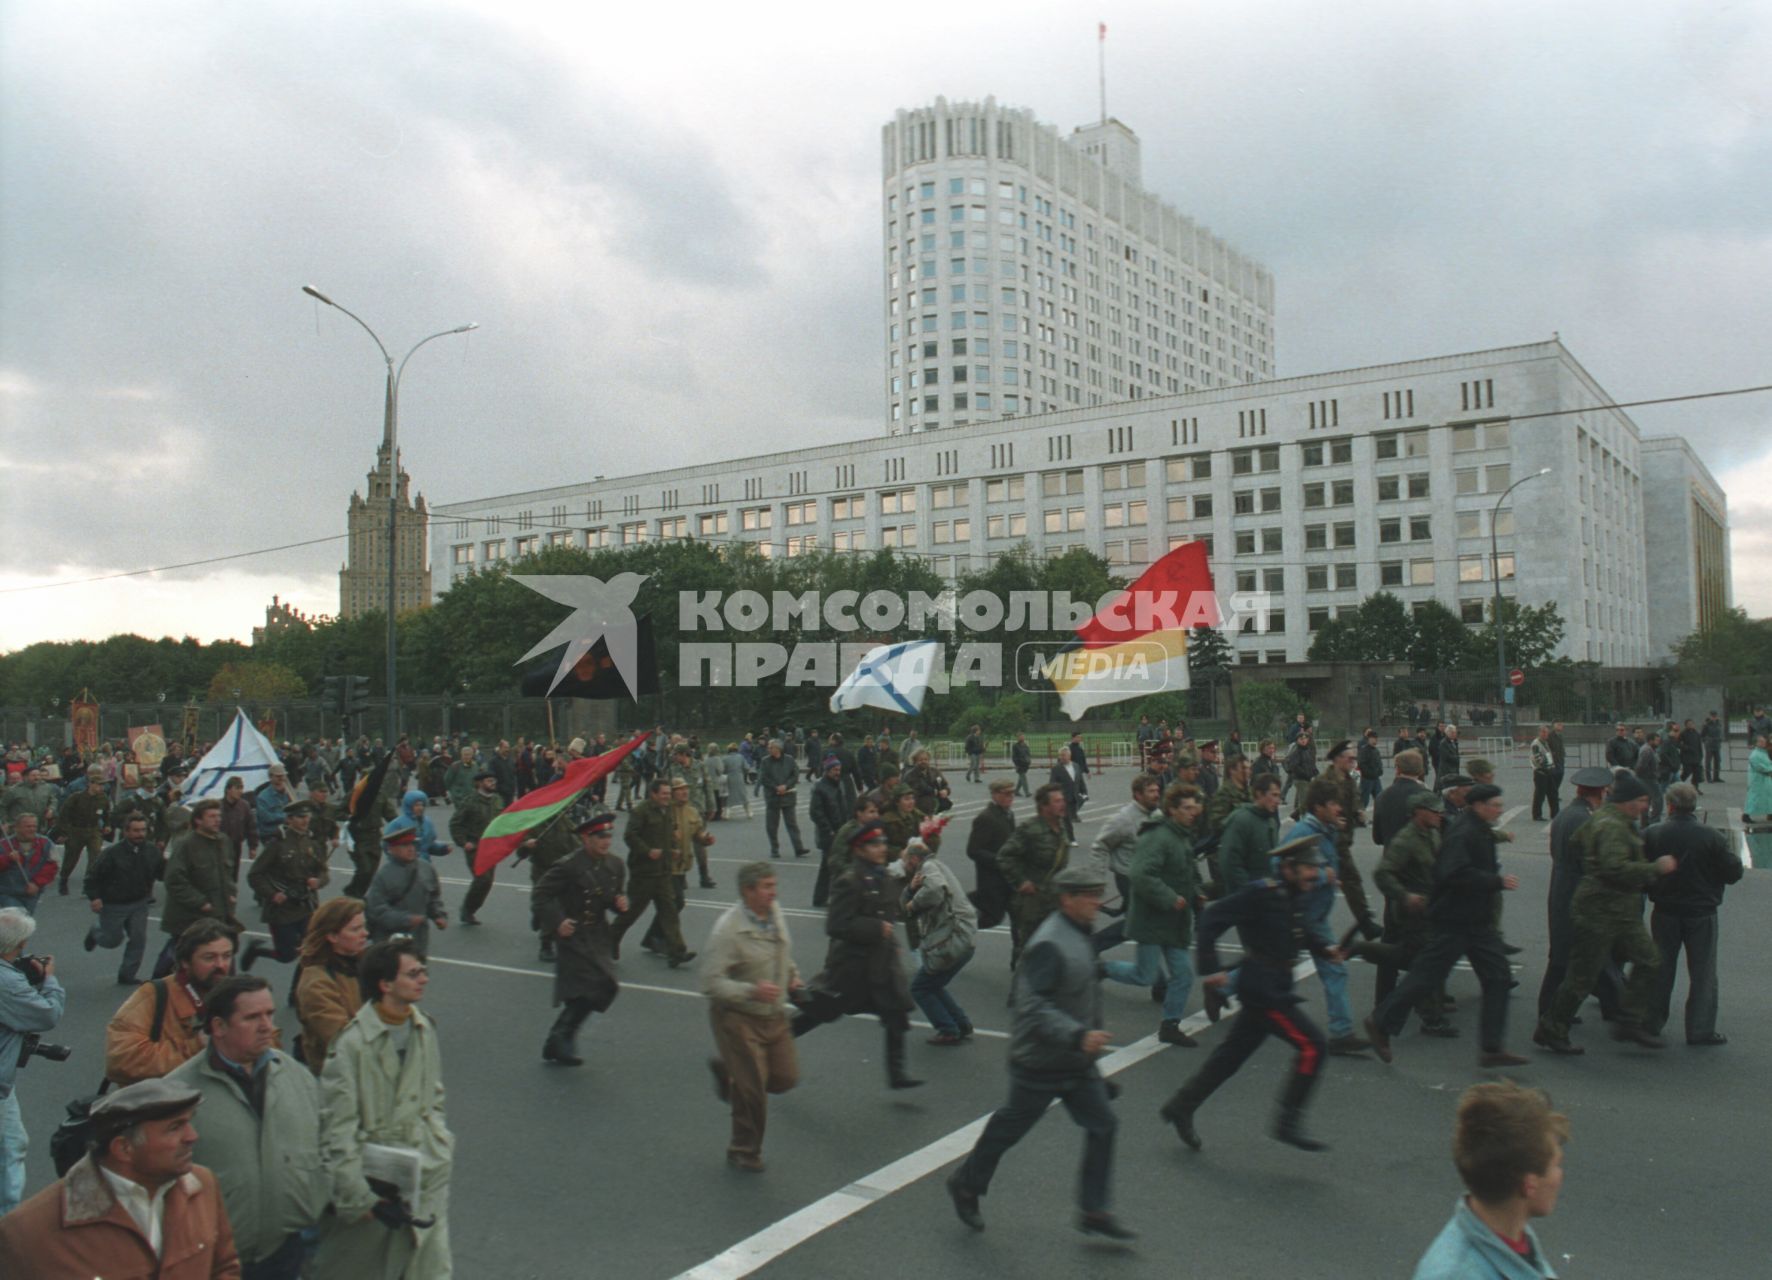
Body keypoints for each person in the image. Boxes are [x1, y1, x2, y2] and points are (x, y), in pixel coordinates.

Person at [946, 864, 1133, 1241]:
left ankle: (1093, 1209)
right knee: (1009, 1130)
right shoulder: (1050, 942)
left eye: (1099, 894)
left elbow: (1082, 991)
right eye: (1090, 896)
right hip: (1040, 1062)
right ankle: (966, 1183)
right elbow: (1031, 1007)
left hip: (1075, 1062)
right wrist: (1078, 1035)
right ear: (1067, 899)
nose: (1097, 902)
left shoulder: (1079, 932)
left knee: (1103, 1125)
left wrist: (1088, 1050)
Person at [1158, 844, 1341, 1154]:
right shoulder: (1261, 893)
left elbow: (1297, 931)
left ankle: (1181, 1106)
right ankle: (1287, 1122)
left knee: (1230, 1057)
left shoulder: (1293, 895)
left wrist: (1325, 949)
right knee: (1313, 1047)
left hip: (1273, 985)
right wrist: (1211, 968)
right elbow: (1212, 917)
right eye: (1309, 868)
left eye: (1316, 867)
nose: (1316, 874)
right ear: (1287, 868)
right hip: (1265, 990)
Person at [0, 1077, 240, 1277]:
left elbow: (224, 1267)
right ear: (123, 1148)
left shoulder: (202, 1186)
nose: (192, 1136)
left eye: (189, 1123)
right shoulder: (28, 1231)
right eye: (175, 1128)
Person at [169, 975, 326, 1279]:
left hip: (289, 1250)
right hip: (217, 1260)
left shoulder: (297, 1076)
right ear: (218, 1027)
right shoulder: (178, 1094)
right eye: (252, 1017)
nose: (267, 1025)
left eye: (269, 1013)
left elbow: (325, 1146)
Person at [315, 939, 453, 1278]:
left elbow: (433, 1094)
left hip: (424, 1172)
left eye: (423, 971)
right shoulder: (352, 1045)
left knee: (428, 1267)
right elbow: (338, 1129)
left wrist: (438, 1139)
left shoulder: (424, 1028)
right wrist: (360, 1198)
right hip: (375, 1183)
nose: (424, 978)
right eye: (413, 973)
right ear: (385, 984)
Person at [1366, 784, 1529, 1068]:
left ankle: (1491, 1048)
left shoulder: (1471, 828)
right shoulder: (1462, 832)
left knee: (1498, 977)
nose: (1499, 810)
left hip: (1476, 921)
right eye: (1495, 804)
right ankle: (1380, 1022)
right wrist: (1495, 882)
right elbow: (1452, 872)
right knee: (1425, 975)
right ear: (1478, 805)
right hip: (1455, 920)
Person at [1535, 771, 1676, 1054]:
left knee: (1649, 960)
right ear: (1626, 801)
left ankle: (1628, 1020)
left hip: (1616, 909)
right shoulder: (1611, 825)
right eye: (1642, 800)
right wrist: (1655, 868)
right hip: (1599, 911)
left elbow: (1577, 843)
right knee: (1581, 976)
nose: (1645, 806)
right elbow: (1615, 868)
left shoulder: (1609, 820)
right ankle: (1552, 1028)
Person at [790, 823, 923, 1090]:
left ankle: (897, 1073)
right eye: (875, 845)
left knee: (896, 1011)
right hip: (852, 966)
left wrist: (890, 938)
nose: (882, 848)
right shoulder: (849, 881)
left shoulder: (882, 876)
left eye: (883, 843)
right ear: (859, 850)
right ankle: (772, 1042)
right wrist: (876, 929)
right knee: (820, 1012)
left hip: (881, 963)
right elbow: (836, 925)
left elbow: (886, 913)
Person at [702, 861, 803, 1172]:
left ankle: (730, 1073)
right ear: (748, 891)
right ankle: (744, 1150)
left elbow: (782, 953)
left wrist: (793, 975)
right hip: (738, 1017)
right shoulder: (728, 930)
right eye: (767, 887)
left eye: (774, 885)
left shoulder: (775, 913)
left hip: (773, 1015)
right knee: (754, 1093)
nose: (774, 892)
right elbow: (710, 982)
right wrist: (750, 991)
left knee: (786, 1078)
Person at [1412, 1082, 1568, 1279]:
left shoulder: (1512, 1233)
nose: (1560, 1175)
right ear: (1530, 1185)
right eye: (1556, 1165)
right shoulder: (1455, 1273)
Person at [1103, 783, 1203, 1046]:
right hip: (1152, 917)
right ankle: (1102, 968)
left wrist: (1197, 891)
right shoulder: (1158, 836)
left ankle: (1170, 1025)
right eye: (1187, 808)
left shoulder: (1180, 834)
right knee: (1144, 975)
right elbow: (1140, 874)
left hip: (1173, 919)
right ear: (1172, 810)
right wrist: (1170, 897)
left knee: (1183, 974)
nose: (1193, 812)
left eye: (1195, 807)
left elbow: (1184, 871)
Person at [1643, 782, 1742, 1044]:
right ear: (1693, 805)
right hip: (1701, 911)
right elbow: (1733, 872)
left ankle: (1651, 1022)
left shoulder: (1653, 833)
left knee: (1661, 968)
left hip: (1665, 909)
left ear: (1670, 805)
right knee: (1703, 973)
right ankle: (1700, 1030)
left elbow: (1642, 870)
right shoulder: (1711, 836)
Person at [1278, 780, 1370, 1054]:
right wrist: (1321, 876)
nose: (1339, 808)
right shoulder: (1304, 831)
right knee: (1270, 967)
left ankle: (1342, 1033)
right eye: (1333, 804)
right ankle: (1222, 987)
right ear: (1319, 807)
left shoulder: (1325, 830)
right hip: (1298, 915)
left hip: (1314, 915)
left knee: (1334, 969)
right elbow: (1278, 866)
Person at [533, 806, 628, 1066]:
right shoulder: (568, 866)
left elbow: (608, 897)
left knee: (605, 985)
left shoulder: (615, 865)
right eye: (600, 838)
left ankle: (559, 1037)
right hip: (573, 932)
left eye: (609, 837)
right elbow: (540, 895)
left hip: (598, 932)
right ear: (586, 839)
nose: (606, 842)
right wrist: (557, 922)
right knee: (586, 985)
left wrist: (618, 904)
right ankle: (562, 1038)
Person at [1535, 767, 1624, 1023]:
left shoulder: (1566, 815)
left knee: (1566, 957)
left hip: (1562, 890)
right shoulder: (1586, 819)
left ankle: (1554, 1010)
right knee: (1573, 959)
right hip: (1578, 895)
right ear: (1601, 792)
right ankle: (1553, 1014)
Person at [107, 919, 237, 1087]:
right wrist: (197, 1045)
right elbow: (120, 1062)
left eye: (226, 956)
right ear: (185, 962)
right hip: (165, 1108)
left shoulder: (239, 997)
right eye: (209, 957)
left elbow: (269, 1049)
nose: (221, 965)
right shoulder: (153, 996)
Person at [1370, 792, 1457, 1038]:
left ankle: (1429, 1011)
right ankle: (1427, 1017)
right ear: (1419, 812)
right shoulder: (1405, 840)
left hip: (1432, 908)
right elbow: (1383, 873)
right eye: (1434, 810)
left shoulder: (1431, 833)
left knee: (1428, 961)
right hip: (1413, 914)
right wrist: (1405, 896)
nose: (1440, 814)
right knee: (1425, 963)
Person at [0, 906, 67, 1215]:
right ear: (19, 945)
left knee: (13, 1142)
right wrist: (49, 981)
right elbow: (45, 1014)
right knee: (8, 1151)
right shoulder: (7, 982)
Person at [242, 800, 330, 980]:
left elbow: (323, 871)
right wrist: (272, 894)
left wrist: (318, 881)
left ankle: (296, 994)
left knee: (310, 951)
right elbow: (255, 875)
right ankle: (256, 950)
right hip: (282, 910)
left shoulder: (311, 842)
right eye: (300, 817)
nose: (305, 821)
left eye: (307, 817)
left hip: (306, 906)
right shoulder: (277, 844)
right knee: (287, 956)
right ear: (289, 820)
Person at [901, 836, 977, 1045]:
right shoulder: (937, 866)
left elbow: (933, 891)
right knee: (934, 984)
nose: (907, 868)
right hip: (963, 938)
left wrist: (913, 904)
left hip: (950, 940)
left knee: (920, 987)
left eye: (907, 863)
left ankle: (947, 1028)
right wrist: (910, 889)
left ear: (915, 860)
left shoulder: (928, 868)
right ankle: (961, 1023)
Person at [611, 780, 694, 967]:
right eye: (664, 793)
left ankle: (677, 952)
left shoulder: (666, 811)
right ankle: (610, 939)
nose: (667, 797)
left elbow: (668, 835)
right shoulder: (641, 811)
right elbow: (630, 836)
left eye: (668, 793)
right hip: (644, 873)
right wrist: (647, 851)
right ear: (653, 794)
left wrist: (672, 848)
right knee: (632, 912)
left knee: (670, 911)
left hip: (663, 871)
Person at [157, 798, 239, 978]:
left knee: (223, 957)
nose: (217, 820)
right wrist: (200, 902)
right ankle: (156, 987)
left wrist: (231, 893)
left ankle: (225, 994)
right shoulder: (186, 845)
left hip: (218, 914)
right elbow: (174, 880)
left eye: (219, 816)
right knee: (178, 954)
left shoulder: (223, 842)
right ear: (198, 820)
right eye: (211, 816)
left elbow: (227, 874)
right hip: (189, 916)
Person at [996, 783, 1074, 969]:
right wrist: (1021, 881)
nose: (1062, 804)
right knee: (1028, 948)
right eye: (1057, 801)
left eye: (1062, 800)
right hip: (1031, 901)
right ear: (1044, 806)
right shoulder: (1030, 829)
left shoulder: (1061, 827)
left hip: (1052, 897)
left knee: (1053, 943)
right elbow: (1004, 856)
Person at [83, 810, 164, 984]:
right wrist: (94, 897)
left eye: (143, 830)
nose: (140, 834)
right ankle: (96, 932)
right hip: (114, 904)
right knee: (112, 940)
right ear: (126, 832)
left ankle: (127, 974)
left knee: (138, 938)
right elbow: (92, 877)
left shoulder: (152, 851)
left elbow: (163, 872)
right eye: (135, 830)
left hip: (140, 902)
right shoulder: (112, 853)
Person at [1089, 772, 1162, 951]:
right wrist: (1097, 882)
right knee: (1138, 923)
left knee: (1145, 922)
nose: (1156, 794)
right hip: (1129, 878)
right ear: (1138, 795)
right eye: (1151, 791)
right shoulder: (1124, 819)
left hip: (1149, 877)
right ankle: (1090, 947)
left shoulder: (1158, 814)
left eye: (1157, 790)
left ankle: (1149, 971)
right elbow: (1100, 846)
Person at [295, 897, 367, 1073]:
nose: (365, 933)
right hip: (335, 1078)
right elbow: (341, 1040)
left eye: (364, 926)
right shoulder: (317, 983)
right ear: (332, 936)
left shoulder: (357, 964)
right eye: (356, 929)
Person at [364, 818, 449, 951]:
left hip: (419, 936)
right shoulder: (383, 875)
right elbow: (376, 909)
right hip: (390, 938)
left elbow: (433, 896)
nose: (410, 849)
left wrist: (438, 915)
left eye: (412, 844)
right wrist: (406, 919)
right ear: (391, 849)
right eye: (404, 845)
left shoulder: (426, 868)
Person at [450, 770, 504, 925]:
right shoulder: (470, 801)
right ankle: (467, 909)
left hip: (492, 847)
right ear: (479, 783)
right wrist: (463, 842)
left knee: (488, 882)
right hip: (475, 846)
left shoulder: (497, 800)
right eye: (488, 781)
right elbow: (455, 823)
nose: (492, 783)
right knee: (482, 879)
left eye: (493, 780)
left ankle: (470, 910)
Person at [965, 780, 1017, 928]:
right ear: (994, 795)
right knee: (990, 918)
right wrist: (999, 861)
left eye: (1012, 793)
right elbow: (973, 850)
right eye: (1006, 793)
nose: (1011, 797)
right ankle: (957, 925)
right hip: (992, 880)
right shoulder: (986, 818)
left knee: (1018, 918)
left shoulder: (1009, 814)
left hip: (1008, 879)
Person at [57, 762, 112, 895]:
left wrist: (107, 825)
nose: (101, 787)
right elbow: (64, 814)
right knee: (71, 858)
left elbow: (107, 813)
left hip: (93, 830)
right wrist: (64, 832)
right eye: (98, 784)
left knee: (95, 857)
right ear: (90, 784)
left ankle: (88, 884)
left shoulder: (103, 798)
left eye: (102, 785)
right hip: (76, 830)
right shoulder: (76, 797)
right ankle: (63, 879)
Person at [757, 739, 808, 859]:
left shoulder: (789, 760)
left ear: (777, 749)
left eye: (770, 747)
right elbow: (764, 778)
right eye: (768, 747)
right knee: (772, 825)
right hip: (772, 797)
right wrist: (776, 787)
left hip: (788, 796)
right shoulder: (765, 761)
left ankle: (798, 848)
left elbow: (795, 775)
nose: (768, 749)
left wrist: (786, 786)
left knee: (792, 824)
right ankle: (774, 849)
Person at [0, 811, 58, 913]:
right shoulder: (4, 844)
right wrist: (7, 859)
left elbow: (52, 866)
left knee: (26, 922)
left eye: (34, 826)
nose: (32, 829)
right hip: (7, 893)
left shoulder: (45, 843)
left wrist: (37, 883)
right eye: (28, 826)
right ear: (17, 828)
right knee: (17, 917)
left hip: (32, 892)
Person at [1529, 725, 1560, 821]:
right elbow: (1538, 759)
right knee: (1539, 795)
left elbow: (1548, 755)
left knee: (1553, 794)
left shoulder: (1545, 743)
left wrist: (1552, 766)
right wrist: (1547, 765)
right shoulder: (1536, 744)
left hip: (1549, 771)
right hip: (1541, 772)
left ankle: (1555, 814)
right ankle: (1537, 815)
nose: (1546, 734)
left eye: (1546, 732)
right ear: (1539, 733)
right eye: (1543, 732)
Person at [1746, 733, 1772, 823]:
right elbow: (1759, 766)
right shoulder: (1755, 754)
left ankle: (1770, 813)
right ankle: (1746, 814)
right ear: (1756, 743)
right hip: (1758, 778)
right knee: (1754, 797)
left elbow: (1768, 763)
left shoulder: (1762, 752)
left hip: (1764, 778)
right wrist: (1769, 770)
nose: (1763, 743)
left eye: (1764, 741)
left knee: (1768, 796)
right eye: (1761, 742)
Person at [1700, 711, 1723, 784]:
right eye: (1712, 716)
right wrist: (1706, 741)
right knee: (1708, 762)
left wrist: (1720, 739)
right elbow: (1702, 735)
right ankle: (1708, 778)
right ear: (1710, 716)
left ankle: (1716, 777)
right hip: (1709, 745)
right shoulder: (1706, 725)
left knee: (1717, 761)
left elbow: (1720, 733)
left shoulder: (1719, 723)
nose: (1714, 717)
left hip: (1717, 744)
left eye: (1715, 716)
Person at [1010, 732, 1032, 796]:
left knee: (1021, 779)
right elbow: (1014, 757)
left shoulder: (1025, 746)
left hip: (1025, 764)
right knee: (1023, 777)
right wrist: (1016, 764)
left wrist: (1029, 761)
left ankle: (1016, 791)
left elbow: (1028, 754)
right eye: (1020, 736)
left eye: (1023, 736)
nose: (1022, 737)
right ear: (1018, 738)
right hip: (1019, 764)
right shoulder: (1015, 746)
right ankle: (1027, 792)